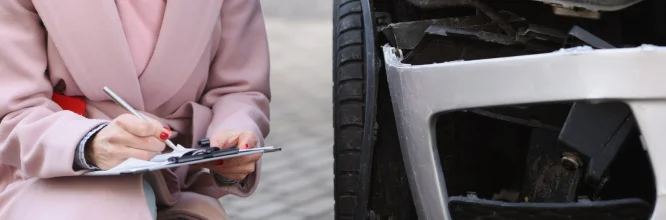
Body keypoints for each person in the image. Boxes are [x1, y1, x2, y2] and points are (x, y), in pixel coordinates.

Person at [0, 0, 270, 219]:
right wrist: (87, 143)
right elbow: (14, 110)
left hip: (180, 184)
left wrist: (232, 140)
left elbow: (239, 89)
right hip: (51, 179)